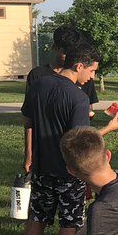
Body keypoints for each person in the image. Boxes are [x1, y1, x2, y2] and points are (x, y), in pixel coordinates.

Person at [19, 40, 118, 235]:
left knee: (37, 217)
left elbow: (27, 121)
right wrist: (109, 128)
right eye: (92, 70)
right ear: (79, 66)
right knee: (69, 223)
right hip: (69, 171)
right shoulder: (77, 98)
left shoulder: (39, 85)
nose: (91, 76)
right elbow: (81, 143)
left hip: (41, 167)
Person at [22, 25, 99, 175]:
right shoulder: (38, 76)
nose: (67, 55)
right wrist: (29, 154)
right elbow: (29, 121)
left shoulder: (84, 78)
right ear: (54, 48)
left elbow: (86, 115)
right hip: (53, 163)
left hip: (65, 163)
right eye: (64, 51)